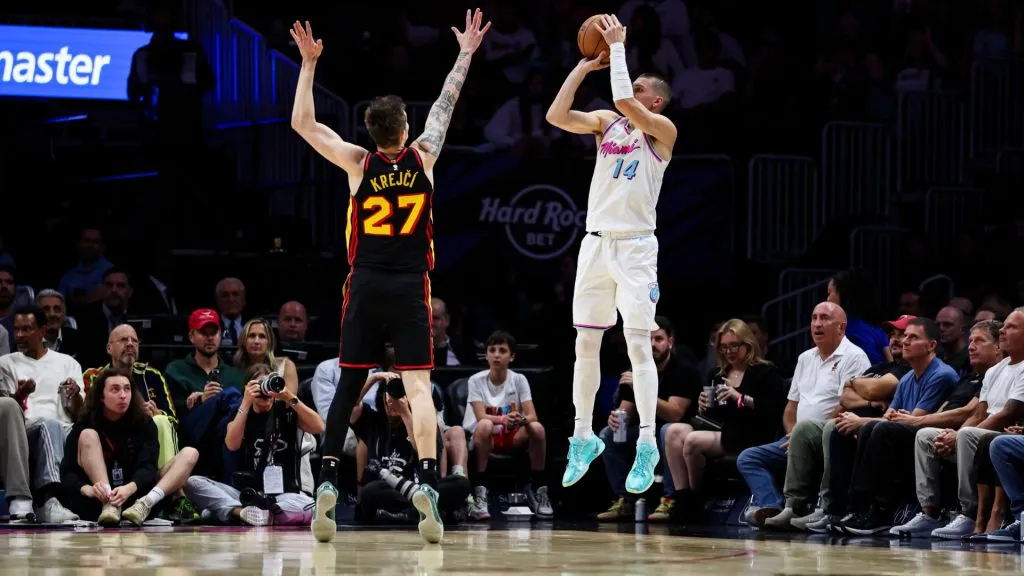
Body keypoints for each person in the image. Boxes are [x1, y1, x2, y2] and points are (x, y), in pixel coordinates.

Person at [288, 11, 491, 545]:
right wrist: (465, 52)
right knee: (420, 386)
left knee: (349, 380)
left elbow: (303, 125)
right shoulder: (424, 157)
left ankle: (327, 478)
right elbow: (447, 101)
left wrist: (309, 65)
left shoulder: (358, 162)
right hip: (408, 287)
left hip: (365, 284)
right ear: (405, 128)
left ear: (374, 133)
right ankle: (427, 478)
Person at [545, 14, 678, 493]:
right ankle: (582, 436)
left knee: (638, 345)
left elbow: (624, 96)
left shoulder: (662, 130)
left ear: (655, 100)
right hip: (596, 243)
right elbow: (556, 117)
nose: (629, 89)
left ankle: (646, 443)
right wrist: (584, 68)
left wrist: (619, 47)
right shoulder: (608, 124)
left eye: (640, 86)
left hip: (637, 246)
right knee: (585, 343)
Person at [59, 369, 199, 526]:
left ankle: (147, 503)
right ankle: (109, 505)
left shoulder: (144, 423)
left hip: (136, 498)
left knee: (190, 453)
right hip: (99, 501)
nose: (123, 395)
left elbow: (148, 467)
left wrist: (129, 488)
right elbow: (67, 472)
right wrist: (87, 489)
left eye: (127, 389)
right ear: (101, 397)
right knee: (88, 435)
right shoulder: (85, 423)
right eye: (115, 389)